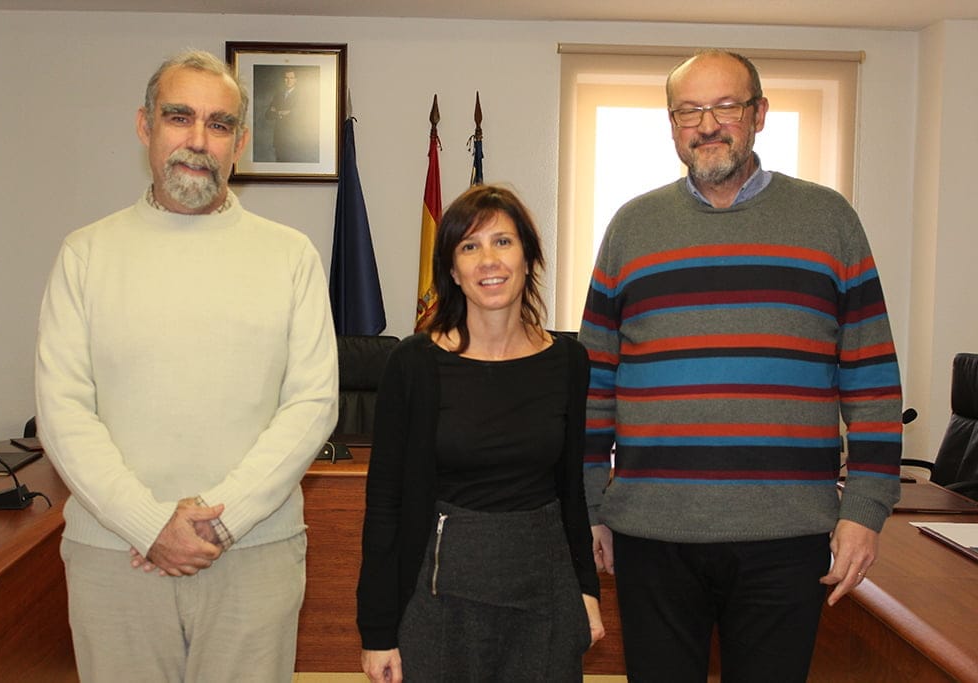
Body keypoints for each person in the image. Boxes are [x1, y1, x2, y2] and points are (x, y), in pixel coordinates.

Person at [579, 49, 902, 682]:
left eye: (725, 105)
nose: (707, 124)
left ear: (759, 114)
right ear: (672, 124)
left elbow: (871, 379)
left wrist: (865, 510)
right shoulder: (630, 228)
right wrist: (591, 506)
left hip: (788, 538)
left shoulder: (829, 220)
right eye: (688, 110)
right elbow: (594, 384)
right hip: (653, 535)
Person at [34, 49, 338, 682]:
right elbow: (63, 413)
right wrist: (150, 526)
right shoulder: (85, 255)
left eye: (219, 124)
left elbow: (312, 405)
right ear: (145, 126)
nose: (198, 141)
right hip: (114, 558)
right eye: (179, 117)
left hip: (254, 554)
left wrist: (219, 523)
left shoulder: (291, 257)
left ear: (240, 142)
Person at [357, 185, 605, 682]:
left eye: (503, 242)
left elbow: (570, 493)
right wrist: (377, 630)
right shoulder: (414, 364)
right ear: (452, 270)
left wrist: (587, 591)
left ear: (529, 256)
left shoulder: (568, 362)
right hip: (439, 598)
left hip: (546, 595)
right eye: (469, 247)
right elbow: (385, 504)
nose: (488, 260)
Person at [266, 69, 304, 162]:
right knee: (280, 167)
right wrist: (281, 113)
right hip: (279, 139)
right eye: (286, 78)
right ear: (283, 79)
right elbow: (268, 115)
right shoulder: (278, 95)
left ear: (296, 80)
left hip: (295, 139)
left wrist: (278, 111)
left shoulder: (302, 95)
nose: (288, 80)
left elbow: (300, 114)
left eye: (291, 78)